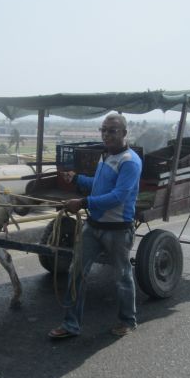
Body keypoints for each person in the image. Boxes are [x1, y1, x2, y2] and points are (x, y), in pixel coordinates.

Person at [48, 113, 142, 339]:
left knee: (122, 277)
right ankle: (71, 325)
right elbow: (99, 186)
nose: (107, 135)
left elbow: (118, 196)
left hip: (118, 229)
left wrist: (82, 202)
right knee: (76, 272)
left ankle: (128, 320)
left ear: (124, 133)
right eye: (104, 130)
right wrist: (78, 179)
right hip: (94, 225)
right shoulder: (105, 156)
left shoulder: (130, 161)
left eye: (112, 131)